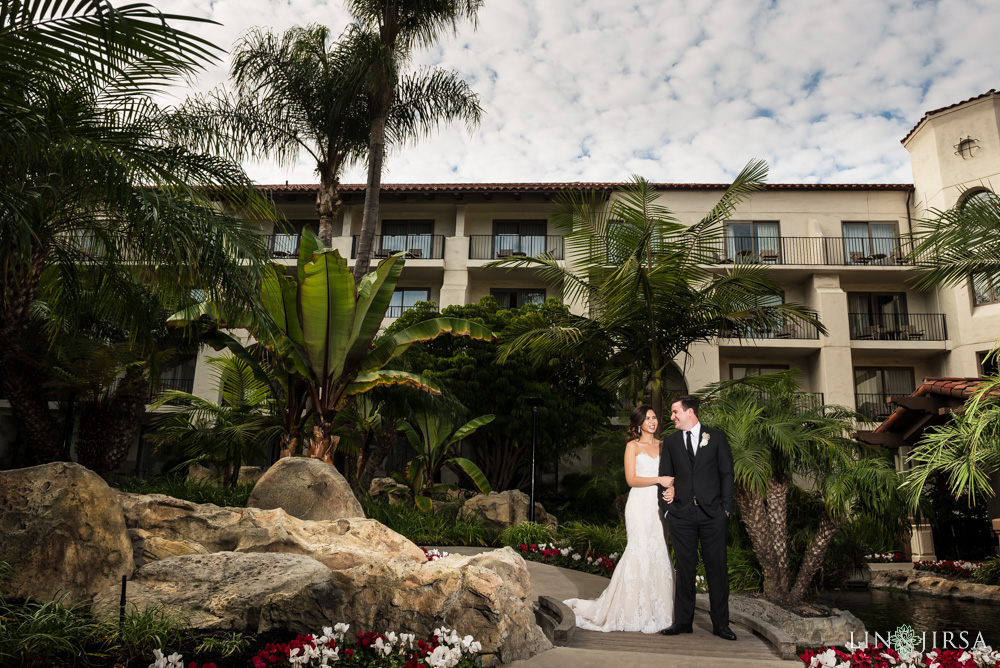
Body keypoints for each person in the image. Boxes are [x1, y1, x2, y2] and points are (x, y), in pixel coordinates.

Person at [563, 405, 675, 633]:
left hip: (657, 505)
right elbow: (631, 479)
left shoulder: (664, 446)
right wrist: (659, 479)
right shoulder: (632, 446)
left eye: (654, 417)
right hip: (639, 505)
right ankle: (629, 609)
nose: (652, 421)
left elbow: (672, 476)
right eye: (647, 418)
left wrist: (670, 487)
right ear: (638, 424)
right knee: (638, 551)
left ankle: (658, 610)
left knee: (657, 550)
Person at [658, 395, 737, 641]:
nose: (672, 417)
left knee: (717, 570)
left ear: (690, 412)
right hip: (681, 516)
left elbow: (726, 473)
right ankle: (683, 622)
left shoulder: (716, 437)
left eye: (675, 412)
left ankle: (721, 625)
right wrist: (668, 509)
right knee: (684, 570)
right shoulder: (670, 442)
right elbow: (665, 476)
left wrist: (725, 509)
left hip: (713, 514)